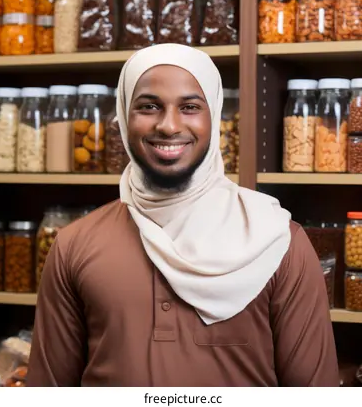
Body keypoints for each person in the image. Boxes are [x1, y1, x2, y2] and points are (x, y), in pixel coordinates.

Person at [27, 44, 338, 387]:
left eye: (189, 107)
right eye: (148, 107)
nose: (168, 125)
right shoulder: (74, 245)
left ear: (214, 116)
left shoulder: (279, 241)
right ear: (124, 115)